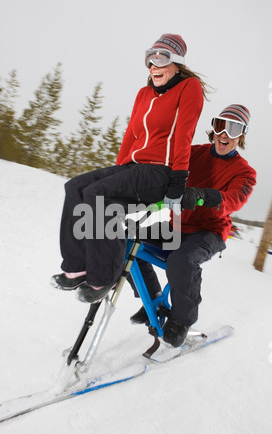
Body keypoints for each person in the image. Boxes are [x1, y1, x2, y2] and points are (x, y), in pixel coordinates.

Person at [51, 34, 207, 303]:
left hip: (161, 172)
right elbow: (130, 137)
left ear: (177, 62)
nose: (153, 66)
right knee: (76, 186)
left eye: (161, 58)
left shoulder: (189, 87)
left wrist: (178, 182)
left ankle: (104, 276)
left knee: (98, 195)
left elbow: (183, 135)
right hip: (134, 168)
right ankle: (78, 267)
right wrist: (117, 172)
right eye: (149, 60)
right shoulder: (144, 94)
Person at [130, 104, 257, 348]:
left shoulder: (245, 172)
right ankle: (152, 299)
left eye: (234, 129)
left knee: (182, 261)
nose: (225, 135)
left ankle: (182, 319)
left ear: (241, 136)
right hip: (176, 226)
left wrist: (207, 195)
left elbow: (234, 200)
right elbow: (165, 173)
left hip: (208, 232)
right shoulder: (192, 153)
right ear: (214, 128)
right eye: (221, 125)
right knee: (128, 240)